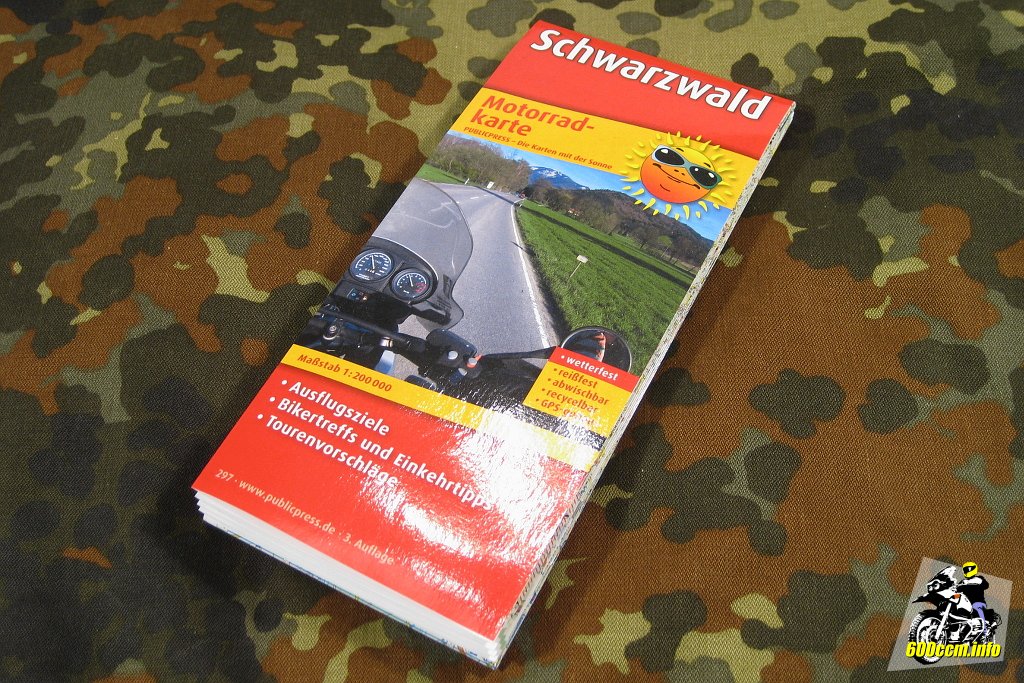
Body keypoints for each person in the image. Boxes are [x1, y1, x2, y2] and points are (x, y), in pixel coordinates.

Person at [959, 562, 989, 634]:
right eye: (966, 569)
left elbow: (986, 585)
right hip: (966, 604)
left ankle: (984, 630)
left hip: (979, 602)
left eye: (969, 569)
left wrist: (977, 582)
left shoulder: (979, 579)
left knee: (977, 606)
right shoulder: (963, 581)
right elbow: (956, 589)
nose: (968, 571)